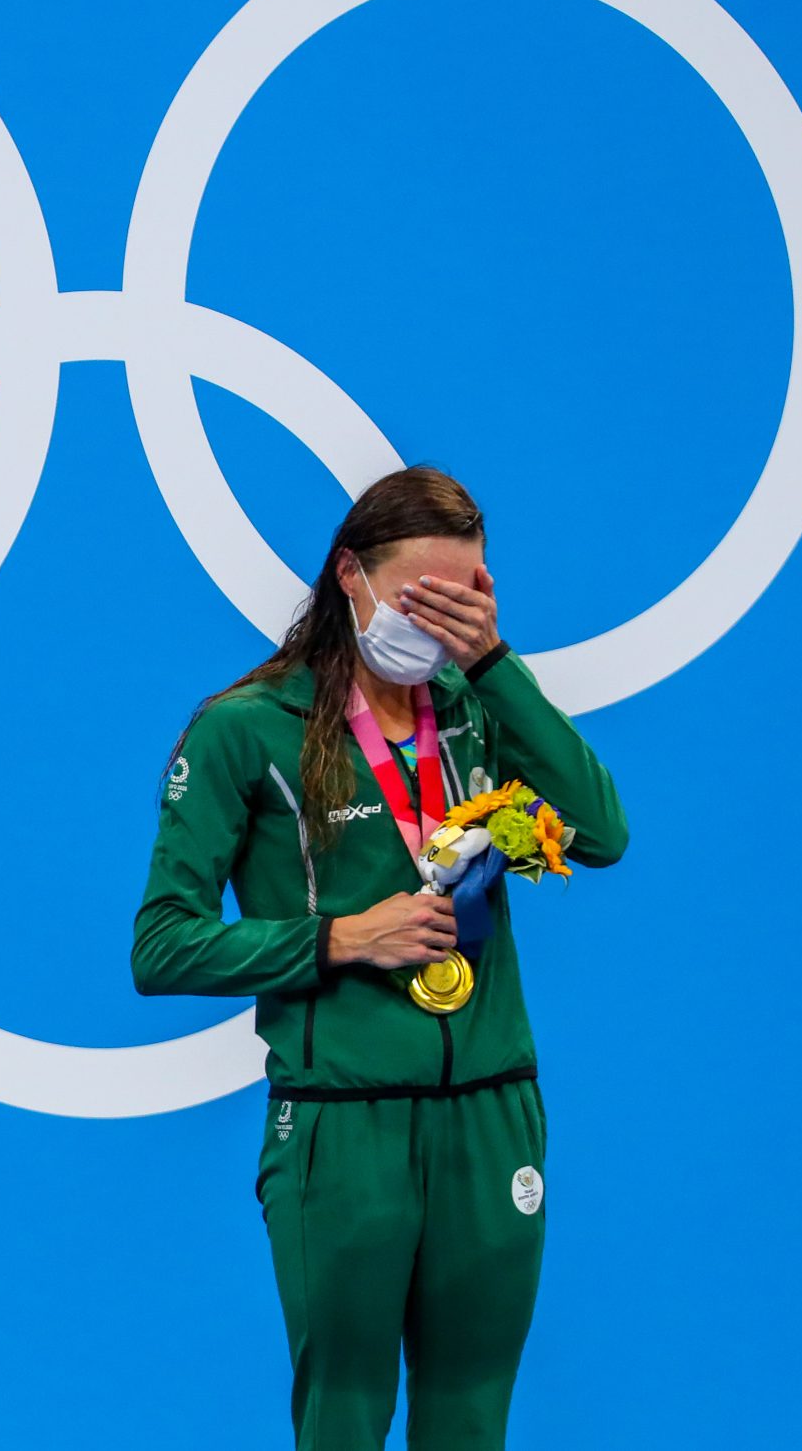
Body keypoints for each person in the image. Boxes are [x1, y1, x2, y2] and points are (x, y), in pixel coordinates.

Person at [130, 465, 627, 1451]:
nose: (439, 625)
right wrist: (343, 939)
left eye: (466, 599)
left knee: (470, 1419)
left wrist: (494, 665)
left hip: (492, 1114)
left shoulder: (475, 714)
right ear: (349, 575)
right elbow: (162, 945)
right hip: (340, 1127)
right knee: (346, 1421)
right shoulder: (246, 731)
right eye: (420, 600)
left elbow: (597, 834)